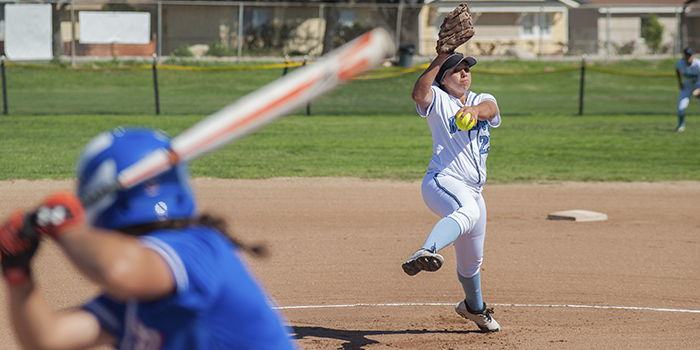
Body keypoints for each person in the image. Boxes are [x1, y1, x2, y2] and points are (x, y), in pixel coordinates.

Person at [0, 127, 298, 350]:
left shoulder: (198, 248)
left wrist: (66, 227)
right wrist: (17, 270)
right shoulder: (135, 295)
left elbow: (118, 270)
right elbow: (47, 338)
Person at [401, 52, 501, 332]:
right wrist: (438, 59)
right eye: (456, 70)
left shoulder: (482, 98)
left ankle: (474, 307)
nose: (464, 74)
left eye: (467, 69)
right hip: (443, 181)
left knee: (472, 260)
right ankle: (426, 250)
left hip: (473, 190)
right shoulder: (438, 99)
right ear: (443, 80)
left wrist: (473, 111)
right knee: (466, 211)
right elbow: (418, 95)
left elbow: (490, 109)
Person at [674, 47, 700, 132]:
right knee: (681, 108)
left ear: (693, 56)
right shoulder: (680, 63)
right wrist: (680, 83)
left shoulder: (698, 64)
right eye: (686, 55)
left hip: (698, 87)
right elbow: (677, 70)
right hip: (687, 87)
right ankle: (681, 125)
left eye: (690, 55)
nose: (688, 57)